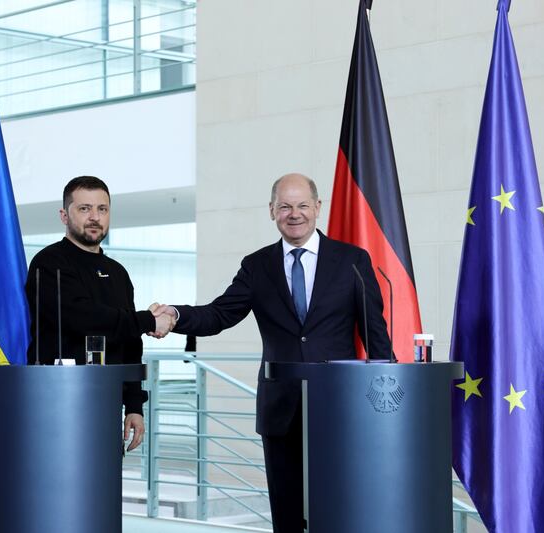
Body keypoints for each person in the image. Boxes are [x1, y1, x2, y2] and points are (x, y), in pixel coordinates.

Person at [150, 173, 391, 532]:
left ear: (317, 208)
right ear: (272, 211)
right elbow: (220, 314)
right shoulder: (257, 265)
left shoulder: (352, 260)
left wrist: (386, 400)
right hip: (282, 411)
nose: (295, 214)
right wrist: (176, 314)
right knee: (288, 516)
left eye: (302, 205)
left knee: (341, 511)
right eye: (285, 206)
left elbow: (376, 335)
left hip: (341, 409)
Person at [25, 175, 174, 452]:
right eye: (84, 209)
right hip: (55, 402)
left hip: (105, 405)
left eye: (102, 209)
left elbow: (129, 343)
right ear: (64, 215)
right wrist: (147, 320)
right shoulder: (48, 264)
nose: (94, 217)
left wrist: (133, 405)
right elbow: (83, 318)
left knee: (102, 488)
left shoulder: (118, 273)